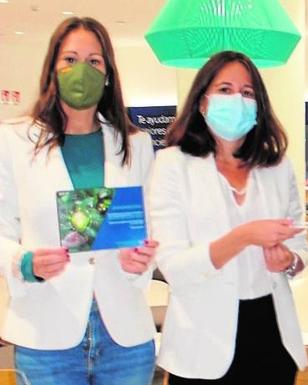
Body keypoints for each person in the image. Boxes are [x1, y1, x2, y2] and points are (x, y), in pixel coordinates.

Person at [0, 17, 158, 385]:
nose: (81, 71)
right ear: (52, 70)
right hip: (45, 335)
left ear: (108, 74)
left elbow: (150, 227)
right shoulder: (13, 141)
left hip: (125, 336)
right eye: (70, 60)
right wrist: (24, 263)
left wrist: (141, 259)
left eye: (94, 61)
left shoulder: (135, 144)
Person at [147, 50, 308, 385]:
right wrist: (243, 236)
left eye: (247, 93)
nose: (237, 99)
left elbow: (299, 247)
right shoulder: (171, 165)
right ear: (202, 103)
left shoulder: (277, 167)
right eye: (224, 89)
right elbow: (174, 266)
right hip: (201, 342)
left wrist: (289, 260)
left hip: (271, 334)